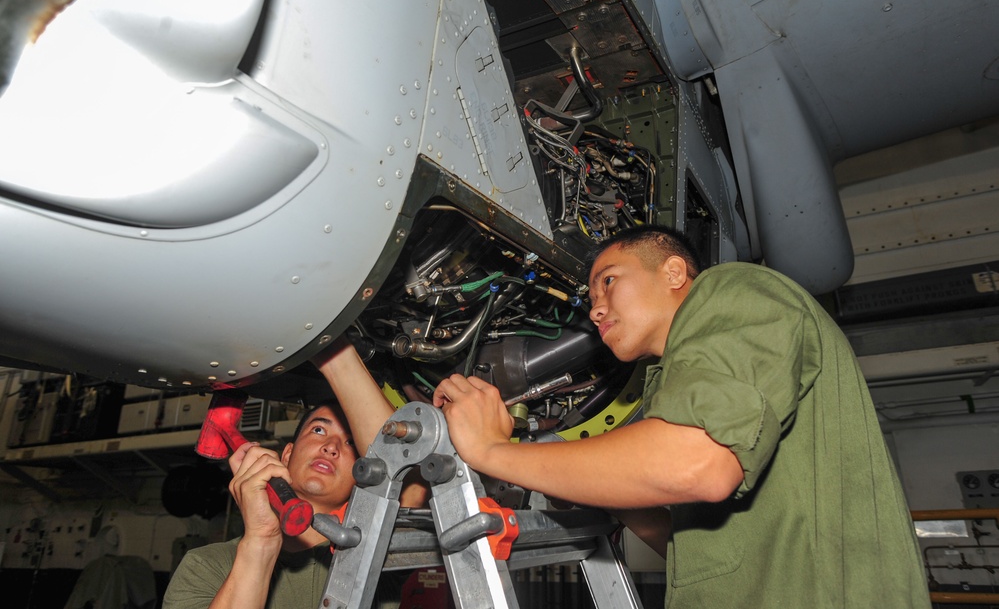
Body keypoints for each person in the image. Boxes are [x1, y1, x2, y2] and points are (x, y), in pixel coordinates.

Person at [433, 225, 931, 608]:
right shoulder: (674, 378)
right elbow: (695, 551)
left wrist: (492, 450)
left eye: (609, 281)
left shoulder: (737, 290)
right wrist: (599, 490)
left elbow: (698, 465)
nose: (596, 310)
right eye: (592, 299)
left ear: (673, 272)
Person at [163, 337, 423, 609]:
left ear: (365, 472)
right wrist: (262, 539)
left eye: (350, 442)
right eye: (319, 430)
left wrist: (334, 353)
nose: (331, 446)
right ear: (287, 454)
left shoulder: (374, 557)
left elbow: (407, 478)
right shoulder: (205, 566)